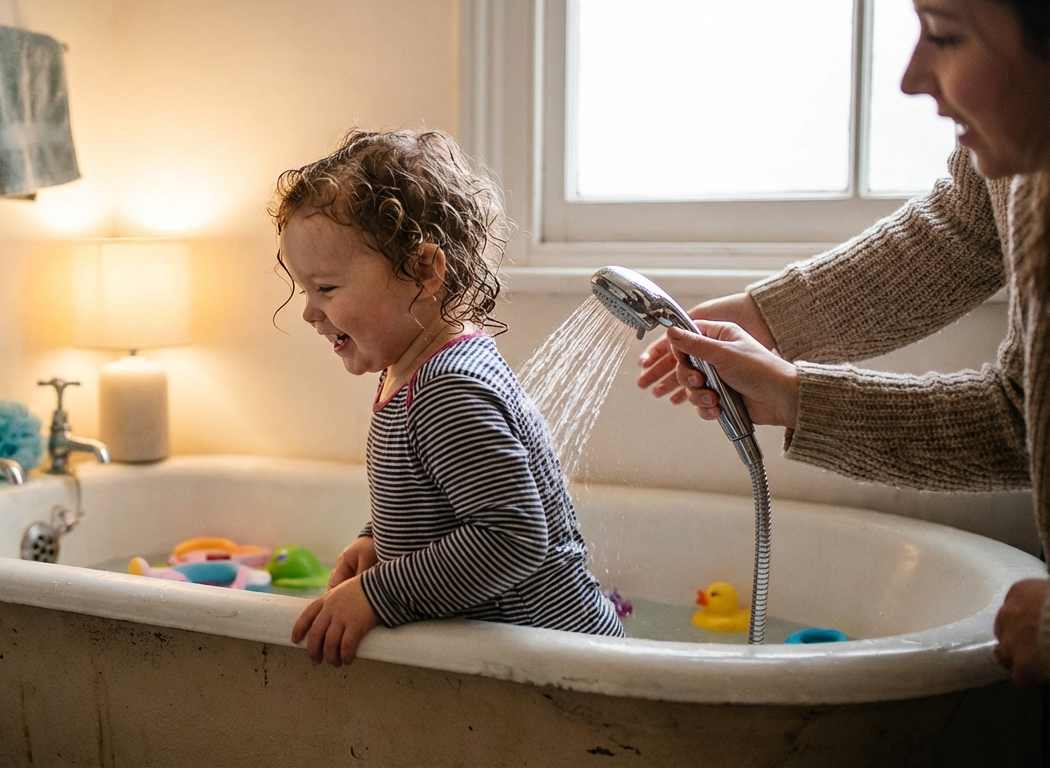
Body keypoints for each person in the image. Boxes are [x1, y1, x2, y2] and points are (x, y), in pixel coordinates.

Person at [637, 0, 1050, 688]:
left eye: (945, 36)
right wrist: (771, 326)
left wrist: (798, 395)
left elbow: (1019, 419)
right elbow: (960, 229)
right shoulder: (1023, 163)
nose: (911, 77)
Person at [271, 129, 624, 667]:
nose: (309, 312)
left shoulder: (448, 391)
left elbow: (511, 536)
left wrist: (379, 592)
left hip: (559, 661)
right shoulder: (417, 373)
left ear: (423, 271)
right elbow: (443, 500)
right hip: (531, 659)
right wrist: (379, 543)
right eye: (304, 290)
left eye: (328, 288)